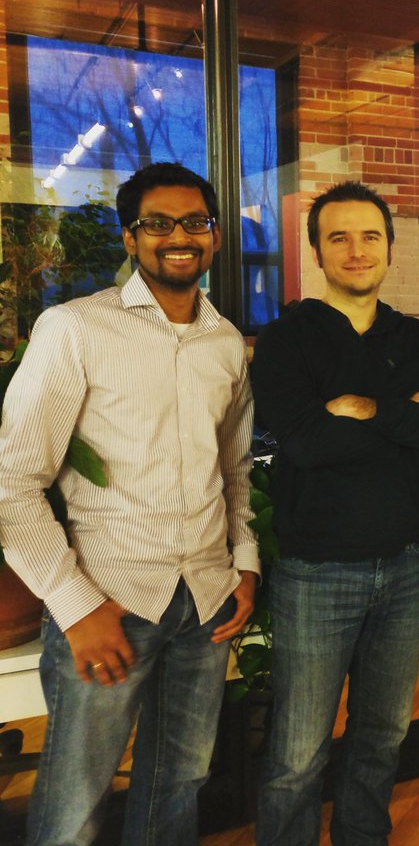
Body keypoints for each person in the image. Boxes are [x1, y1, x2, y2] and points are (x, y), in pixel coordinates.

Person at [0, 162, 258, 846]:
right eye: (157, 223)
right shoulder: (74, 329)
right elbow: (14, 481)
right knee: (74, 804)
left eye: (195, 222)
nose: (179, 237)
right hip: (109, 601)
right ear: (129, 237)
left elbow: (233, 468)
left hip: (204, 603)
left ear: (215, 235)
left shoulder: (225, 343)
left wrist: (246, 562)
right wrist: (75, 606)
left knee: (179, 784)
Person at [252, 181, 419, 846]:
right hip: (317, 573)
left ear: (390, 249)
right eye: (338, 237)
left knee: (381, 735)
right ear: (316, 251)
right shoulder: (286, 339)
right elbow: (306, 444)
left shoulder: (417, 337)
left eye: (370, 236)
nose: (356, 250)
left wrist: (362, 409)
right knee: (297, 752)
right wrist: (405, 417)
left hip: (404, 565)